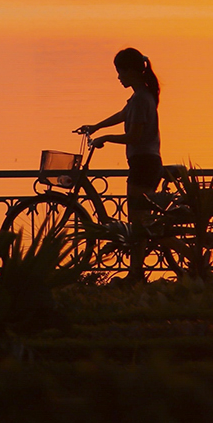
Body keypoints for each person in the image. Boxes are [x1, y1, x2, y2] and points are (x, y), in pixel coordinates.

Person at [76, 47, 161, 283]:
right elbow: (122, 115)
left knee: (140, 224)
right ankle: (136, 272)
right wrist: (96, 127)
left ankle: (137, 273)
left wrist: (106, 139)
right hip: (143, 162)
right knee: (141, 222)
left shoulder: (142, 98)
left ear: (132, 71)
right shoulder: (139, 97)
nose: (118, 77)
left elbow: (134, 136)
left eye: (120, 72)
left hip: (144, 163)